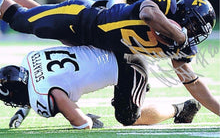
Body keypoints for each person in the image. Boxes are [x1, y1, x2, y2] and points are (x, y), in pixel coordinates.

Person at [0, 0, 219, 120]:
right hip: (85, 20)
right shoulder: (166, 2)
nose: (191, 35)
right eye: (192, 27)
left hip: (126, 57)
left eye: (196, 32)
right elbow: (148, 16)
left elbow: (192, 82)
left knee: (129, 117)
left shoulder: (183, 45)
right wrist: (179, 35)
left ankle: (180, 109)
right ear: (183, 16)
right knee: (21, 20)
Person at [0, 45, 200, 129]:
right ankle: (134, 91)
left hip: (129, 67)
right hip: (115, 47)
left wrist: (82, 119)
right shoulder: (29, 60)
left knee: (128, 118)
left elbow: (83, 124)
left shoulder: (44, 91)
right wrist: (23, 111)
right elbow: (37, 83)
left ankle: (181, 109)